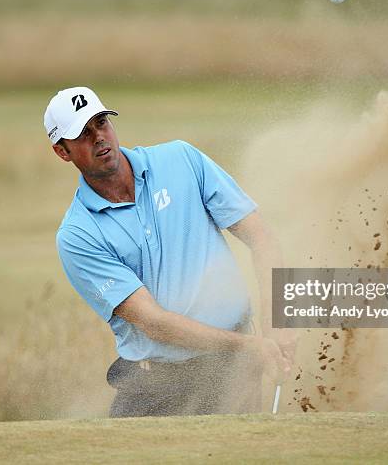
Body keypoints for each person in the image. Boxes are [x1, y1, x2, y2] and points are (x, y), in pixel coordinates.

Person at [44, 86, 294, 417]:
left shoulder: (181, 160)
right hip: (157, 385)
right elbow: (154, 322)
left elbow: (262, 237)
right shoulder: (78, 234)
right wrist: (250, 346)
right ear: (63, 152)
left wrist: (278, 322)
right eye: (83, 134)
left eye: (101, 123)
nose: (99, 137)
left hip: (233, 370)